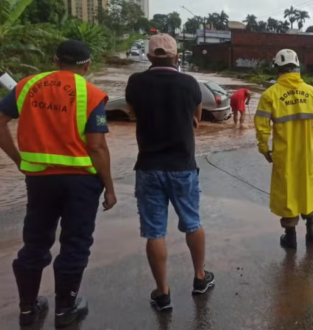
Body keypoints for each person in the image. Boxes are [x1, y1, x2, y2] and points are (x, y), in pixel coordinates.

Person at [0, 40, 116, 328]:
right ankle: (66, 308)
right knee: (75, 243)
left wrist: (18, 159)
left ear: (55, 60)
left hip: (39, 180)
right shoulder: (91, 94)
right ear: (87, 66)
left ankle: (28, 308)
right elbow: (98, 147)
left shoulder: (26, 85)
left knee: (35, 242)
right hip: (81, 183)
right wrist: (110, 187)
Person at [126, 33, 215, 312]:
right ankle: (200, 278)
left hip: (149, 167)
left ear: (150, 56)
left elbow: (131, 114)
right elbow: (197, 119)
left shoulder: (136, 83)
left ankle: (162, 293)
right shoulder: (189, 83)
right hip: (182, 167)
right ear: (177, 57)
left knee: (155, 233)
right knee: (192, 222)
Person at [254, 49, 313, 250]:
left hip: (284, 154)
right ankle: (311, 226)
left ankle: (290, 236)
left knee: (287, 191)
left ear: (277, 68)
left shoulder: (270, 95)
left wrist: (263, 148)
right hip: (306, 152)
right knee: (307, 185)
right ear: (296, 67)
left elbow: (261, 125)